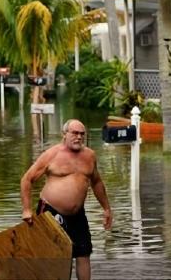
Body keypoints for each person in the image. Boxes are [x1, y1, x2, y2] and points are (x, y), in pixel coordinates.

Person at [19, 119, 112, 280]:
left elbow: (96, 182)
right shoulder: (51, 155)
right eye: (74, 133)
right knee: (60, 256)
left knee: (83, 252)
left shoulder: (89, 155)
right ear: (64, 134)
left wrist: (106, 209)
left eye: (82, 134)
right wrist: (27, 209)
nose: (78, 137)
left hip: (78, 214)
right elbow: (27, 179)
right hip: (50, 211)